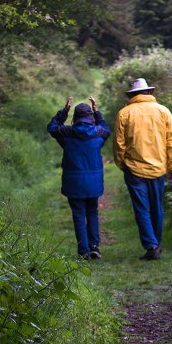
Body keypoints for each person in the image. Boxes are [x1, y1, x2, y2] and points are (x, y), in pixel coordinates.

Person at [113, 78, 172, 260]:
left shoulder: (124, 113)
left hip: (133, 169)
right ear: (149, 93)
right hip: (159, 169)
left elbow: (119, 145)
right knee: (156, 207)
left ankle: (151, 245)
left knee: (141, 208)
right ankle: (155, 244)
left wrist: (122, 164)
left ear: (133, 95)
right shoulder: (164, 112)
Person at [48, 95, 110, 259]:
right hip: (93, 182)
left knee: (78, 215)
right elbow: (106, 128)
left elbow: (52, 127)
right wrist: (97, 113)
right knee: (92, 212)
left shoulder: (67, 133)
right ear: (90, 117)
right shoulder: (98, 134)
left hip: (74, 182)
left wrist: (64, 112)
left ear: (74, 117)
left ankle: (83, 251)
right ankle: (94, 246)